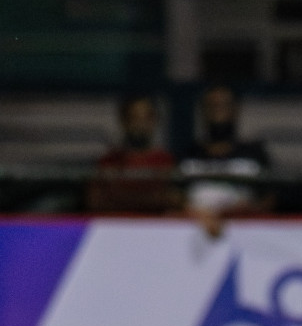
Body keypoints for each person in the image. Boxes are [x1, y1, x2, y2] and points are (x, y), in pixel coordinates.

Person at [178, 84, 272, 233]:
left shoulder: (254, 153)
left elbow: (269, 197)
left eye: (224, 105)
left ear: (235, 109)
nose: (218, 111)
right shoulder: (189, 153)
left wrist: (244, 212)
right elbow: (174, 195)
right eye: (213, 105)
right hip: (195, 229)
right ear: (203, 110)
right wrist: (194, 213)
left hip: (243, 231)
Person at [86, 94, 180, 214]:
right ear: (124, 121)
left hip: (156, 226)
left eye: (146, 118)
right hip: (116, 225)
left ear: (154, 121)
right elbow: (95, 201)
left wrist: (120, 197)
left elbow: (175, 199)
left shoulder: (166, 160)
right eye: (134, 118)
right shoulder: (109, 161)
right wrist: (152, 199)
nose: (140, 124)